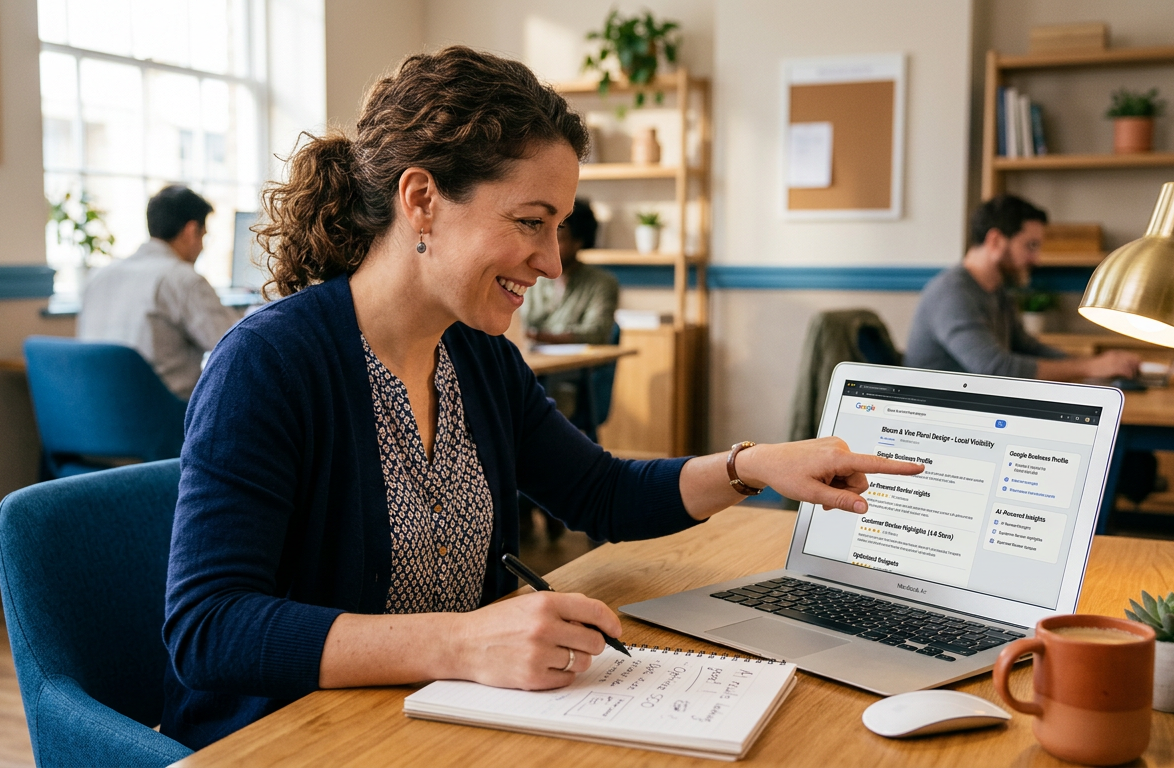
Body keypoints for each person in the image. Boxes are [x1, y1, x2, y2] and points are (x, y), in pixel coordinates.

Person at [160, 46, 923, 750]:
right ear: (421, 199)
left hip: (443, 714)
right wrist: (462, 641)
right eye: (531, 222)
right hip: (294, 738)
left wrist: (751, 465)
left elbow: (600, 492)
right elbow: (210, 629)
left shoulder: (478, 356)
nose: (553, 262)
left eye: (556, 228)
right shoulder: (268, 364)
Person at [904, 194, 1140, 382]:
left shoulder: (995, 289)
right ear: (995, 240)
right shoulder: (952, 294)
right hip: (939, 424)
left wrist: (1096, 366)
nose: (1035, 259)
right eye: (1030, 246)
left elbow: (1025, 348)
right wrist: (1091, 367)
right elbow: (996, 369)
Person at [77, 185, 237, 399]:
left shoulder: (98, 277)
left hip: (97, 417)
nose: (202, 247)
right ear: (191, 231)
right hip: (162, 417)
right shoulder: (183, 279)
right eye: (203, 236)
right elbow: (236, 346)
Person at [523, 198, 618, 345]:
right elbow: (517, 323)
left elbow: (596, 333)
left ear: (578, 242)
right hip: (528, 361)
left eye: (558, 239)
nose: (548, 246)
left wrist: (538, 337)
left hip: (575, 365)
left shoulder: (601, 283)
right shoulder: (530, 279)